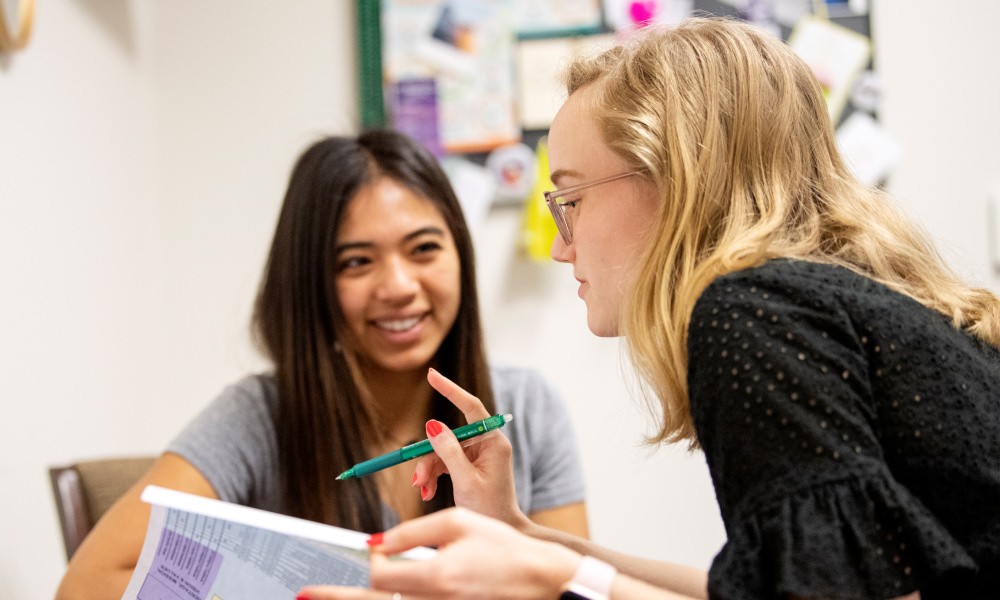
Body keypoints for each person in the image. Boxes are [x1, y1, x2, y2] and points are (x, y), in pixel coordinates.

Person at [299, 17, 1000, 600]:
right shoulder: (827, 299)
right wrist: (529, 538)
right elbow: (770, 589)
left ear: (675, 179)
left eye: (570, 200)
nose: (559, 247)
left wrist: (553, 578)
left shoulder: (751, 308)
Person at [54, 130, 589, 600]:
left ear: (460, 255)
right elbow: (87, 586)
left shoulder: (526, 406)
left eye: (423, 248)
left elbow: (581, 589)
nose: (399, 287)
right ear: (312, 285)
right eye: (356, 262)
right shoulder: (258, 417)